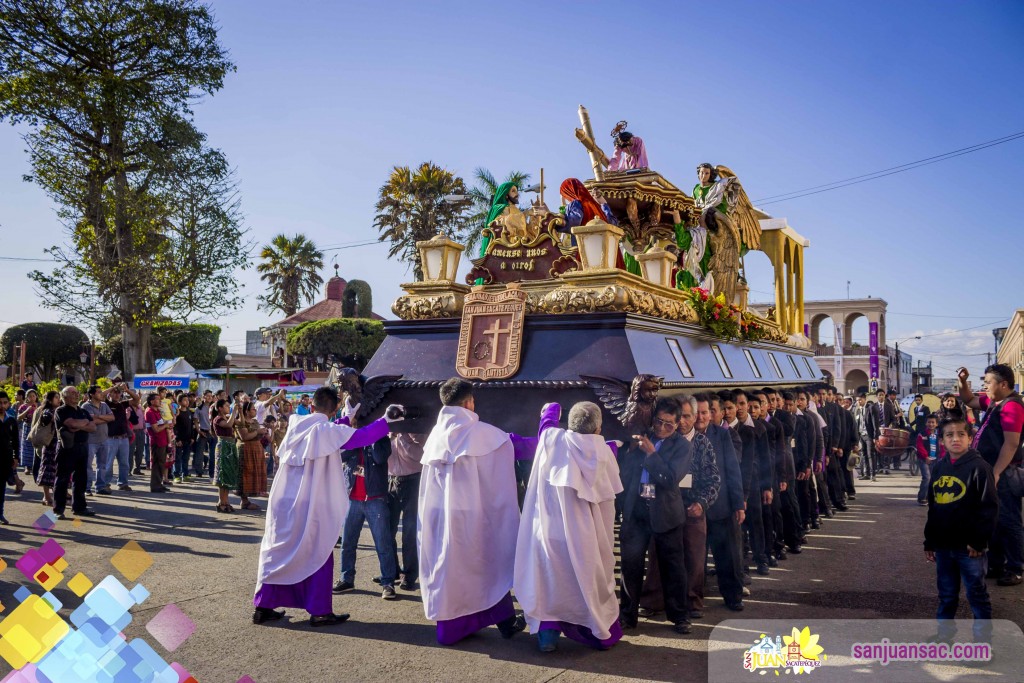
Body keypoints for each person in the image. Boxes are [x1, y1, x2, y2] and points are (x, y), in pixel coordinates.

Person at [253, 386, 402, 627]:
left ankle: (263, 606)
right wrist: (386, 420)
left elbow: (324, 430)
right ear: (333, 409)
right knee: (318, 551)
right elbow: (359, 437)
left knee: (277, 550)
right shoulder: (328, 431)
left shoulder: (295, 423)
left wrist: (347, 418)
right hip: (310, 503)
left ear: (311, 405)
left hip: (283, 501)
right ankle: (320, 611)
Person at [418, 378, 525, 645]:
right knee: (486, 564)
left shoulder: (435, 435)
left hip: (441, 517)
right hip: (474, 516)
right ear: (469, 402)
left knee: (450, 569)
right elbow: (521, 447)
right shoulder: (485, 434)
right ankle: (505, 623)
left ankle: (453, 628)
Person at [513, 402, 623, 652]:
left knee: (550, 582)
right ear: (598, 427)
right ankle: (597, 632)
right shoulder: (606, 453)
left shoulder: (554, 441)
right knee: (587, 584)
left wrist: (553, 408)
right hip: (586, 537)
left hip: (552, 532)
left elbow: (546, 426)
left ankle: (547, 636)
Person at [618, 398, 693, 634]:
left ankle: (679, 616)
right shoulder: (640, 437)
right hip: (637, 509)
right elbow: (625, 472)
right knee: (630, 566)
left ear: (678, 423)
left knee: (673, 567)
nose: (662, 428)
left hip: (665, 512)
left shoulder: (682, 446)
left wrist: (651, 455)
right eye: (659, 421)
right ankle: (627, 616)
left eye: (668, 424)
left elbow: (670, 479)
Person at [924, 410, 997, 634]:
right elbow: (934, 507)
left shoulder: (980, 468)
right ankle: (944, 637)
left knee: (976, 594)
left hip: (969, 549)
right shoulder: (938, 467)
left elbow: (989, 508)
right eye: (949, 435)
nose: (955, 439)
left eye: (961, 434)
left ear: (970, 437)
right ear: (942, 439)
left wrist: (978, 542)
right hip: (944, 547)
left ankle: (983, 644)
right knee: (946, 595)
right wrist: (930, 541)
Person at [958, 364, 1024, 587]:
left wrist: (996, 472)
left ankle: (1015, 568)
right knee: (993, 520)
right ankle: (996, 564)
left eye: (988, 383)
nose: (984, 386)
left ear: (1003, 384)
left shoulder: (1012, 406)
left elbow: (1011, 443)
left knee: (1009, 520)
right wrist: (963, 381)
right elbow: (968, 400)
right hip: (991, 471)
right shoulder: (995, 402)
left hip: (1003, 473)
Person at [334, 411, 400, 601]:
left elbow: (380, 457)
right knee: (348, 542)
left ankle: (388, 582)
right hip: (353, 498)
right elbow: (343, 455)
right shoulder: (350, 438)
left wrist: (371, 437)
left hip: (375, 498)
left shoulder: (382, 439)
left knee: (383, 543)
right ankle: (346, 579)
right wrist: (356, 437)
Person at [697, 393, 746, 610]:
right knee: (696, 559)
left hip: (722, 506)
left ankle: (733, 597)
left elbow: (733, 470)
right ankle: (695, 600)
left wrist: (738, 503)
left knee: (728, 556)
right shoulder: (683, 436)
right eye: (696, 412)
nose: (700, 417)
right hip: (694, 509)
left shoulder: (723, 435)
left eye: (705, 412)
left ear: (711, 414)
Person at [388, 432, 426, 591]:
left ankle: (409, 575)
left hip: (413, 481)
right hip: (390, 480)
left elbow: (419, 456)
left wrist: (403, 436)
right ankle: (391, 571)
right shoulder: (386, 426)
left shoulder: (415, 429)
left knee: (410, 532)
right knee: (387, 530)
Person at [53, 386, 96, 519]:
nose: (76, 395)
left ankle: (79, 507)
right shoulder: (61, 410)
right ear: (64, 396)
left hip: (83, 447)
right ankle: (58, 509)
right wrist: (83, 424)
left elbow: (93, 427)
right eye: (72, 393)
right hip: (67, 448)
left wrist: (79, 425)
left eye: (77, 393)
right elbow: (70, 423)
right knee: (62, 479)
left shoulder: (82, 411)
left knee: (81, 478)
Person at [105, 384, 139, 492]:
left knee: (124, 463)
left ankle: (123, 483)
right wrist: (113, 387)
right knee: (108, 463)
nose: (116, 394)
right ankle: (105, 483)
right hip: (110, 438)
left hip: (124, 438)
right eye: (114, 392)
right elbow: (101, 395)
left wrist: (126, 390)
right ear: (110, 393)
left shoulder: (123, 404)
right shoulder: (106, 404)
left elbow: (136, 399)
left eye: (118, 392)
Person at [81, 385, 114, 495]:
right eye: (99, 392)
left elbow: (112, 417)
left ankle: (100, 487)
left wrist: (98, 416)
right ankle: (86, 487)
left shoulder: (104, 405)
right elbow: (91, 421)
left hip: (104, 439)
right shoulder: (86, 406)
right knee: (88, 466)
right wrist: (104, 418)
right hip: (90, 440)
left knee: (102, 465)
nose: (101, 394)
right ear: (92, 394)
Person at [235, 402, 268, 511]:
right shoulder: (240, 422)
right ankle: (244, 501)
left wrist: (263, 432)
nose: (255, 410)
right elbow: (244, 436)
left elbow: (256, 435)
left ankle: (247, 501)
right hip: (245, 449)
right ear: (246, 411)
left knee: (253, 475)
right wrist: (258, 431)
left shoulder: (254, 421)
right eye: (253, 409)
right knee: (245, 474)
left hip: (256, 448)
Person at [212, 399, 242, 513]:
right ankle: (221, 502)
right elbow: (229, 424)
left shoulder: (228, 417)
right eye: (226, 406)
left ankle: (226, 501)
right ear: (220, 408)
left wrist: (241, 412)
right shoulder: (218, 419)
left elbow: (241, 423)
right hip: (223, 446)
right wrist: (234, 411)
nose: (228, 407)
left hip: (230, 446)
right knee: (222, 475)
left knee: (229, 473)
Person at [33, 390, 61, 507]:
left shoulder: (58, 410)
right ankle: (47, 496)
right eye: (56, 398)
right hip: (49, 444)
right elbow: (46, 420)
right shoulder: (47, 411)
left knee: (56, 470)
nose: (58, 400)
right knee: (47, 471)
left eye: (59, 397)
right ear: (49, 400)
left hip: (58, 445)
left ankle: (56, 494)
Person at [144, 393, 171, 493]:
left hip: (162, 441)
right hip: (157, 442)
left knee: (161, 464)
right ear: (151, 401)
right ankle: (155, 486)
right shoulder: (150, 412)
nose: (160, 401)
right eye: (158, 399)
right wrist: (166, 425)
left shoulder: (157, 411)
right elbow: (156, 429)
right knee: (157, 464)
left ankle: (159, 483)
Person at [915, 415, 943, 506]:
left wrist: (942, 457)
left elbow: (942, 446)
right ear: (926, 423)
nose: (931, 424)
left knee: (935, 479)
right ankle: (922, 498)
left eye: (933, 422)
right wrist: (926, 456)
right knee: (927, 478)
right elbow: (920, 446)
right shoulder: (922, 434)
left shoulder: (939, 435)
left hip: (936, 460)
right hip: (924, 460)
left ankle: (931, 497)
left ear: (936, 424)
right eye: (929, 422)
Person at [0, 391, 18, 524]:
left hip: (5, 459)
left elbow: (16, 441)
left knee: (2, 489)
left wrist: (16, 457)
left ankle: (0, 513)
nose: (2, 405)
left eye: (4, 403)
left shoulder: (11, 420)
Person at [194, 391, 217, 478]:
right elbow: (196, 421)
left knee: (213, 453)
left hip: (213, 433)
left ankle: (212, 472)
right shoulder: (199, 408)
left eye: (211, 396)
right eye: (207, 396)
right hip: (203, 431)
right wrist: (199, 431)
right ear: (203, 397)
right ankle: (199, 471)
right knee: (199, 453)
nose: (209, 397)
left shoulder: (214, 407)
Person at [17, 389, 38, 475]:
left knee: (35, 447)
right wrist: (27, 410)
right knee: (26, 447)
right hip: (27, 427)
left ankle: (35, 466)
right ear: (27, 397)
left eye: (33, 396)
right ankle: (27, 467)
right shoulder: (23, 406)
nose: (32, 398)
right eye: (30, 396)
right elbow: (19, 418)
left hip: (36, 428)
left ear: (36, 397)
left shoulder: (39, 406)